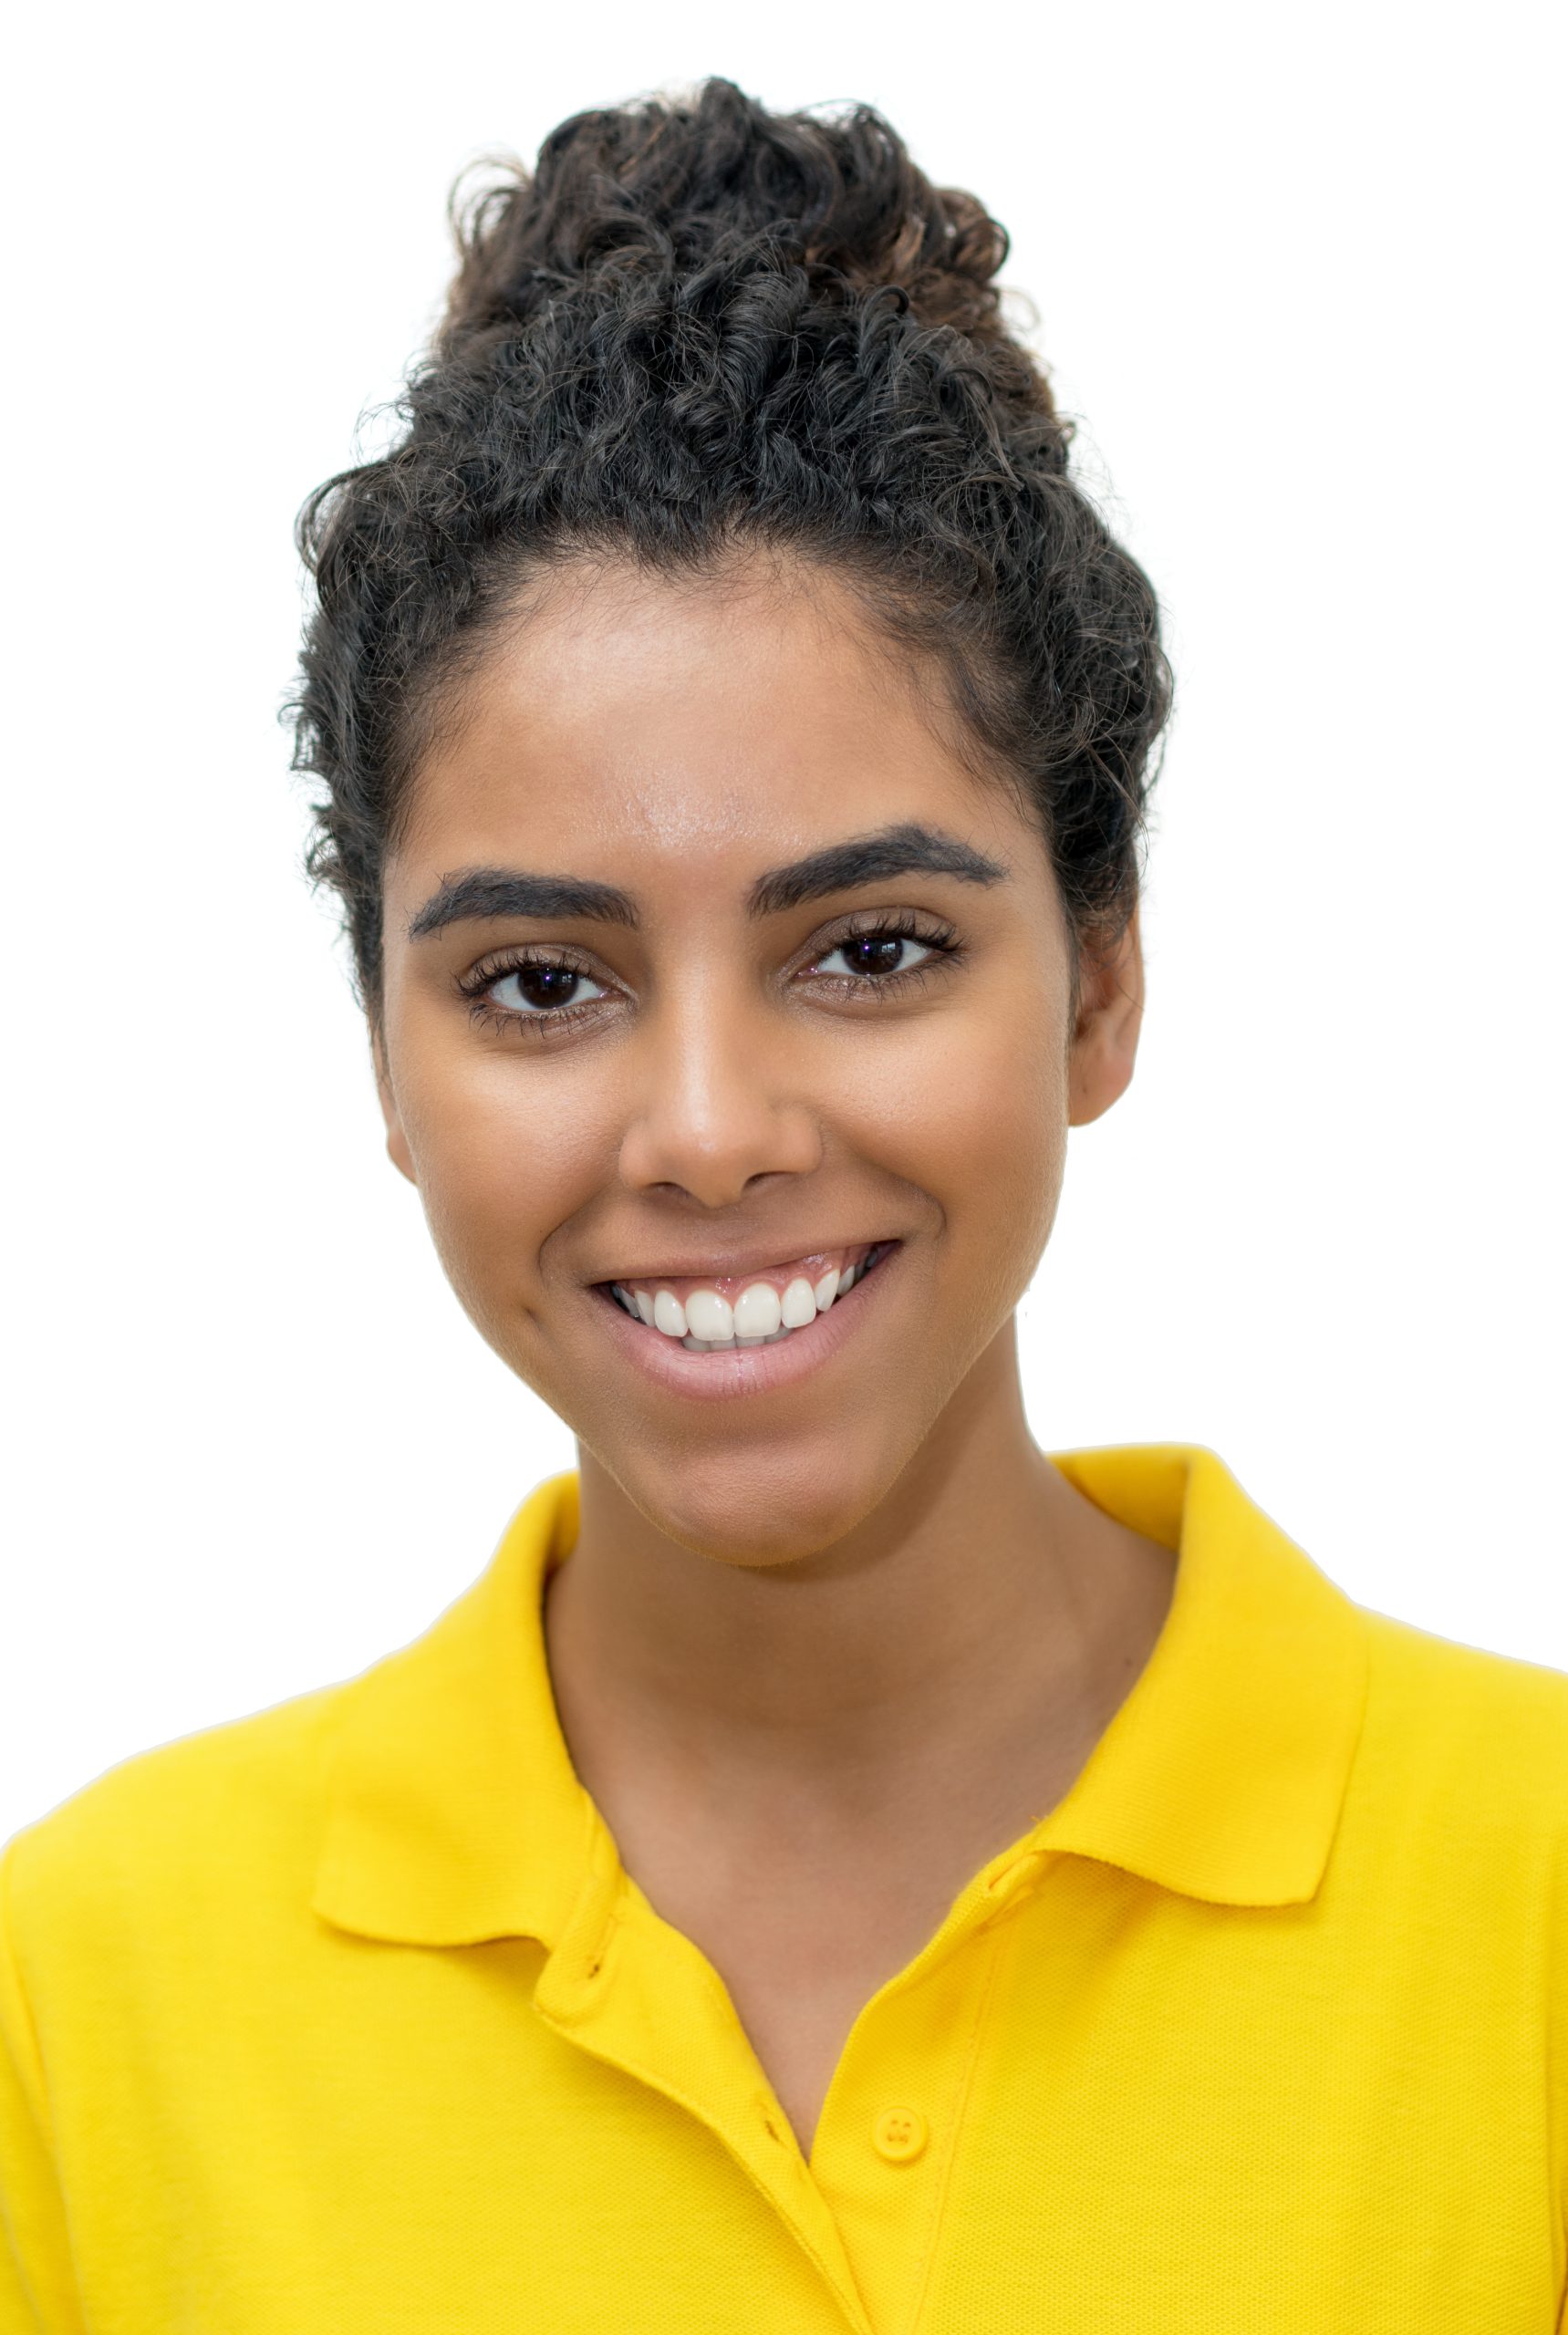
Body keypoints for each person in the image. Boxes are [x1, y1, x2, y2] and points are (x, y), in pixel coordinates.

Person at [2, 75, 1564, 2335]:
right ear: (384, 1058)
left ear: (1097, 984)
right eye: (542, 982)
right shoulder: (84, 2004)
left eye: (870, 948)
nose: (709, 1128)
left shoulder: (1528, 1903)